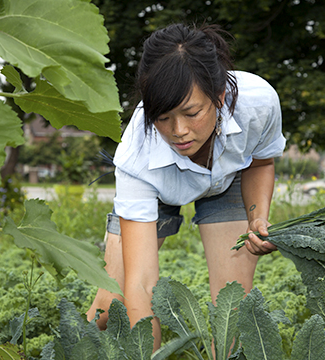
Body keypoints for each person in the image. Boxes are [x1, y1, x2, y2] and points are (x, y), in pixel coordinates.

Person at [87, 23, 286, 351]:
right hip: (158, 188)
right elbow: (143, 282)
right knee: (113, 302)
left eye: (192, 113)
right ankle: (81, 349)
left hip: (228, 181)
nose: (178, 131)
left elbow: (260, 162)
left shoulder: (259, 103)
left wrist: (257, 217)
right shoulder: (137, 156)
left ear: (219, 96)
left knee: (231, 307)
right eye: (162, 118)